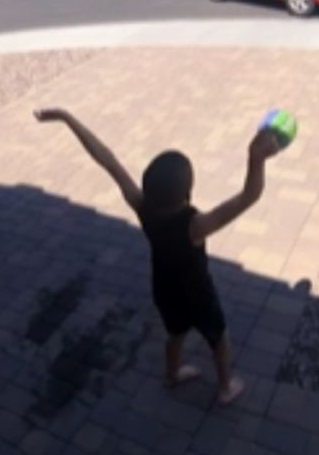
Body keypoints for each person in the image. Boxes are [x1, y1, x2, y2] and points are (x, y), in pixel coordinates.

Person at [34, 108, 280, 404]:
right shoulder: (195, 225)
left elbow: (106, 159)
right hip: (198, 293)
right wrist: (256, 158)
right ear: (188, 193)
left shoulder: (142, 205)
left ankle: (172, 375)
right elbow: (249, 196)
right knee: (219, 338)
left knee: (175, 334)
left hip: (164, 289)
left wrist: (66, 118)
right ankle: (226, 387)